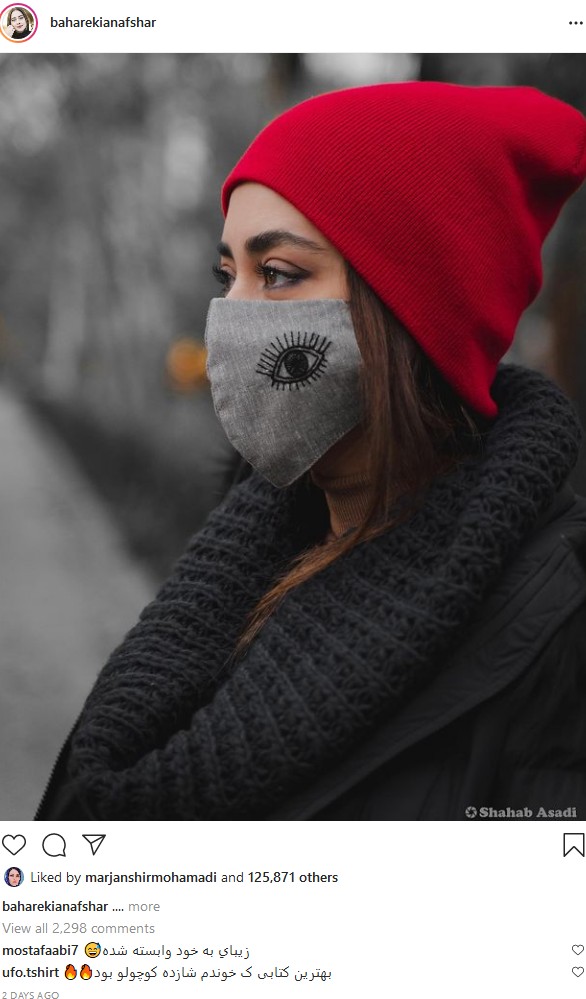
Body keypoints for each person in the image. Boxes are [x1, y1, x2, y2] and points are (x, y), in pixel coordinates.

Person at [36, 81, 586, 821]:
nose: (227, 319)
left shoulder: (557, 634)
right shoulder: (251, 547)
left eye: (278, 273)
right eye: (227, 275)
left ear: (416, 307)